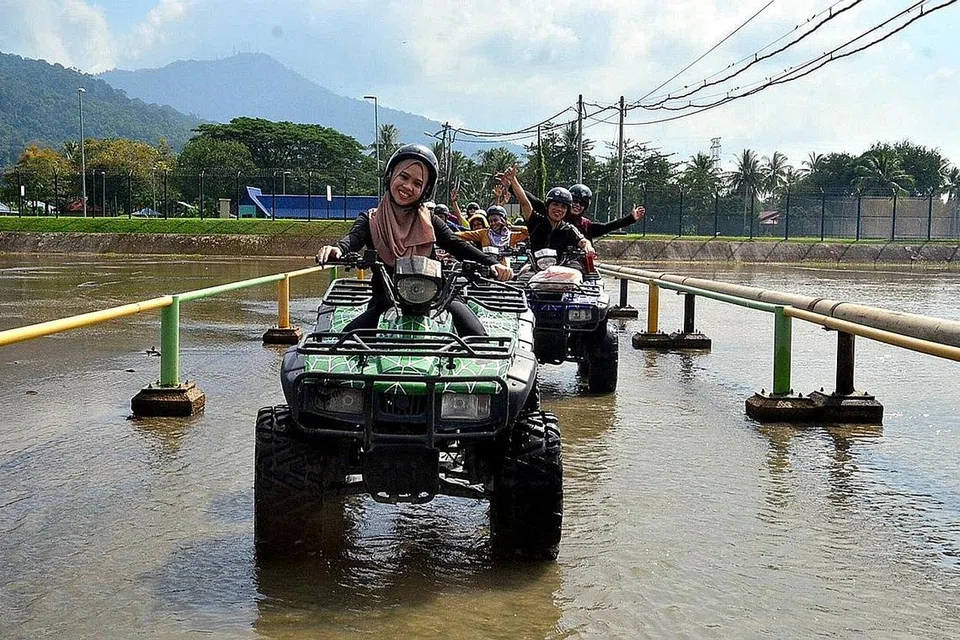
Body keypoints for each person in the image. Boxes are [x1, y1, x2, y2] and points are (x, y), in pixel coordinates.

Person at [316, 144, 512, 336]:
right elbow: (354, 238)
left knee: (476, 335)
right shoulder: (370, 219)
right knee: (346, 341)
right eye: (403, 177)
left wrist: (492, 264)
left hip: (438, 297)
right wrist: (338, 249)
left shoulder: (429, 220)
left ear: (425, 190)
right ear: (391, 175)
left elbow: (455, 244)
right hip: (387, 299)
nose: (408, 187)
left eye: (418, 184)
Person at [501, 166, 595, 259]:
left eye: (563, 207)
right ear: (547, 206)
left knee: (576, 269)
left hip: (561, 267)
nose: (559, 209)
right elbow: (524, 202)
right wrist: (513, 180)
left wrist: (588, 246)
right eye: (555, 204)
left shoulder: (569, 229)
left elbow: (583, 241)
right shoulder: (536, 222)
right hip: (535, 266)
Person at [503, 179, 644, 240]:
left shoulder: (585, 226)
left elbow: (608, 227)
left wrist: (631, 218)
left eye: (582, 203)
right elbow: (529, 201)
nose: (558, 211)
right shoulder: (548, 217)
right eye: (574, 201)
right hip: (547, 262)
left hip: (574, 265)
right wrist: (511, 185)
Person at [457, 205, 528, 250]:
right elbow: (463, 235)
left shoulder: (512, 236)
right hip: (488, 266)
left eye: (495, 220)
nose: (493, 223)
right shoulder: (484, 233)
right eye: (490, 221)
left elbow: (529, 232)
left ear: (503, 220)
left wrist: (513, 227)